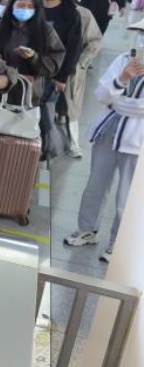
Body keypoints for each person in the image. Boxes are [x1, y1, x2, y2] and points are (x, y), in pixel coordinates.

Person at [63, 18, 144, 263]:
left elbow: (134, 106)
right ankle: (87, 230)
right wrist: (122, 79)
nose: (141, 37)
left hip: (137, 142)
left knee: (126, 197)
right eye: (140, 32)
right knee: (95, 186)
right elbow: (101, 93)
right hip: (108, 131)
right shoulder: (125, 60)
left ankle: (117, 244)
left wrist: (117, 101)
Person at [0, 0, 65, 118]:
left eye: (30, 7)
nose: (25, 9)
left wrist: (34, 58)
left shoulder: (46, 32)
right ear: (12, 4)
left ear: (38, 9)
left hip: (28, 96)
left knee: (20, 134)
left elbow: (53, 65)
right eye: (21, 5)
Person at [40, 0, 85, 158]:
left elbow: (74, 48)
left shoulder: (71, 14)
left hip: (52, 74)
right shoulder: (31, 7)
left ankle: (45, 150)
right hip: (28, 70)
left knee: (45, 114)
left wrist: (62, 77)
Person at [62, 0, 104, 154]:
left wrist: (80, 64)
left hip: (71, 69)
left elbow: (95, 42)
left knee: (71, 107)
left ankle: (73, 143)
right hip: (46, 66)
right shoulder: (41, 9)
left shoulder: (83, 14)